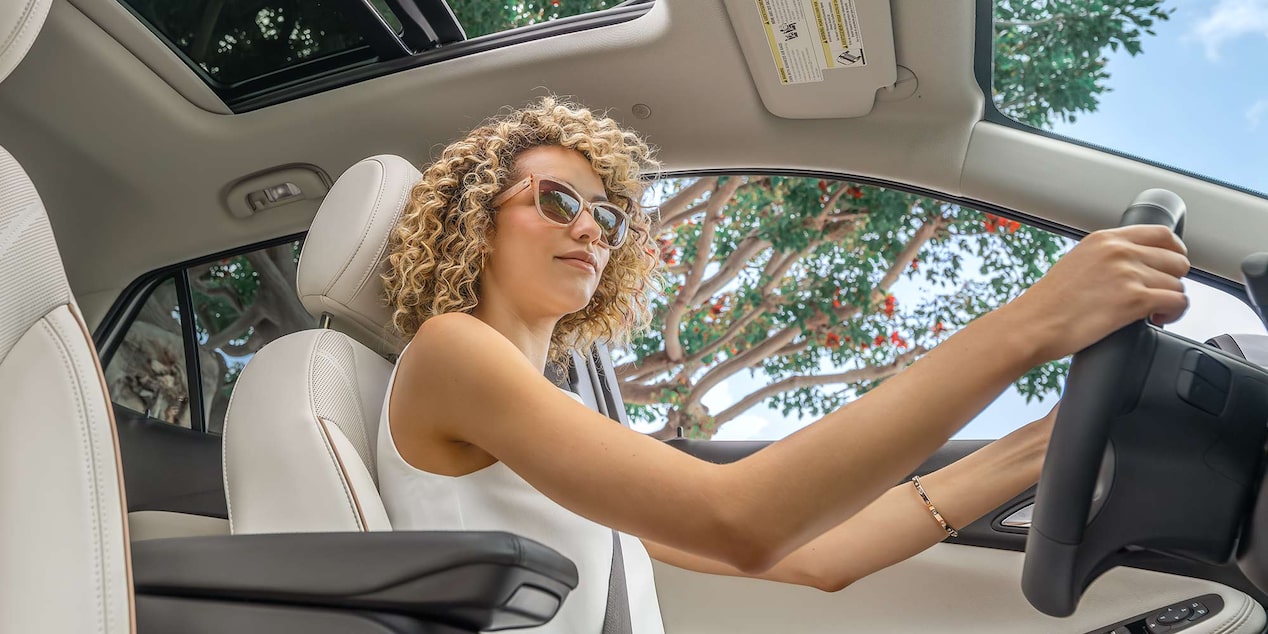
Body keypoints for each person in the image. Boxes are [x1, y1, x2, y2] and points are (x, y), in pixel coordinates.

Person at [376, 97, 1190, 632]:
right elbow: (742, 522)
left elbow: (821, 558)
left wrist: (1049, 441)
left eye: (609, 215)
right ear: (477, 223)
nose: (592, 229)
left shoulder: (552, 430)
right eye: (557, 201)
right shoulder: (452, 351)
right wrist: (1035, 322)